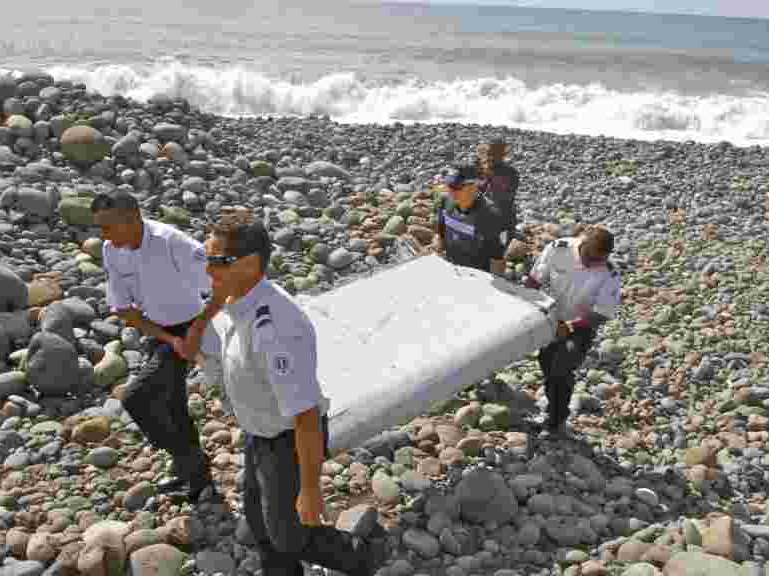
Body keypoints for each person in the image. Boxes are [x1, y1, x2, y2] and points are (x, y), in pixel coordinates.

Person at [178, 208, 390, 576]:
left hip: (288, 441)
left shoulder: (275, 331)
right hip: (259, 435)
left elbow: (306, 416)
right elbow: (216, 301)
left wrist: (310, 491)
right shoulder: (233, 291)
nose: (207, 269)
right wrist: (199, 328)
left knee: (289, 534)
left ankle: (364, 555)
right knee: (261, 525)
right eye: (205, 257)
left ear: (249, 264)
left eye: (216, 260)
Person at [91, 190, 219, 503]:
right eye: (100, 227)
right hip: (160, 331)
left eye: (108, 226)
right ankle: (196, 477)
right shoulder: (112, 250)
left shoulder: (172, 242)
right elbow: (123, 309)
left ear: (133, 219)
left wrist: (192, 335)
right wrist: (167, 339)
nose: (102, 235)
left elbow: (220, 286)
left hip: (192, 326)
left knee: (136, 398)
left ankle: (192, 464)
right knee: (171, 405)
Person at [524, 224, 622, 437]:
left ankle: (556, 420)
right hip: (551, 318)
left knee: (562, 366)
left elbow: (602, 314)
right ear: (582, 243)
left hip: (581, 326)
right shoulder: (559, 249)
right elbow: (534, 280)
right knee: (547, 364)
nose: (591, 263)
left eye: (598, 260)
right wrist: (526, 307)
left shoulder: (609, 274)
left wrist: (569, 327)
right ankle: (552, 409)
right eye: (589, 256)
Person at [432, 167, 507, 275]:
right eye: (448, 185)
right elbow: (440, 235)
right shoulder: (445, 202)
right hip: (451, 271)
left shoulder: (490, 216)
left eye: (456, 187)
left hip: (477, 278)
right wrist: (437, 250)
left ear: (473, 187)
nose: (450, 190)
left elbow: (498, 261)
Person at [459, 136, 520, 248]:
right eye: (488, 153)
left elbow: (502, 198)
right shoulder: (490, 170)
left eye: (491, 154)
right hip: (491, 218)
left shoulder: (509, 173)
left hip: (501, 222)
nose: (488, 157)